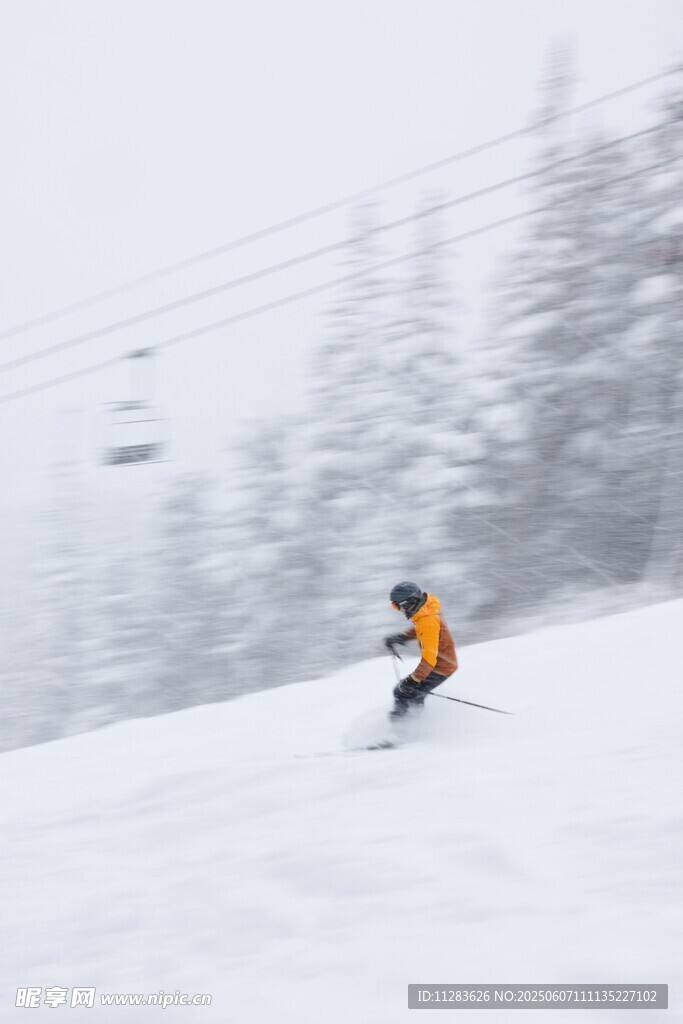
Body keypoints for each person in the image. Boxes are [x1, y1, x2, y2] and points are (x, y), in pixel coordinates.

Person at [384, 581, 458, 719]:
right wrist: (401, 637)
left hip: (440, 667)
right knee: (415, 695)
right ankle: (416, 725)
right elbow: (422, 630)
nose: (400, 611)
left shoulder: (427, 621)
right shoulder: (428, 610)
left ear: (408, 603)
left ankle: (400, 730)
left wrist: (413, 679)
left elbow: (429, 658)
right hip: (444, 663)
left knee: (402, 692)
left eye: (397, 607)